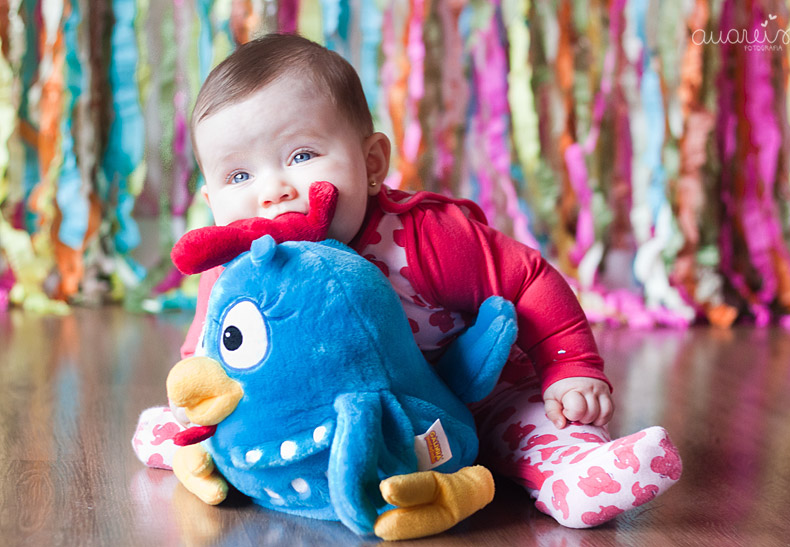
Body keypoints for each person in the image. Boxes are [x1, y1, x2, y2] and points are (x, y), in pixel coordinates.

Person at [133, 33, 681, 529]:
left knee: (523, 422)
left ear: (371, 163)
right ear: (211, 202)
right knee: (217, 418)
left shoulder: (423, 236)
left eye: (301, 155)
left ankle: (577, 470)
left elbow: (529, 279)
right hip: (338, 412)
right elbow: (210, 348)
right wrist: (196, 398)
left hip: (469, 388)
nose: (272, 191)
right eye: (238, 176)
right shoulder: (239, 265)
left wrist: (570, 368)